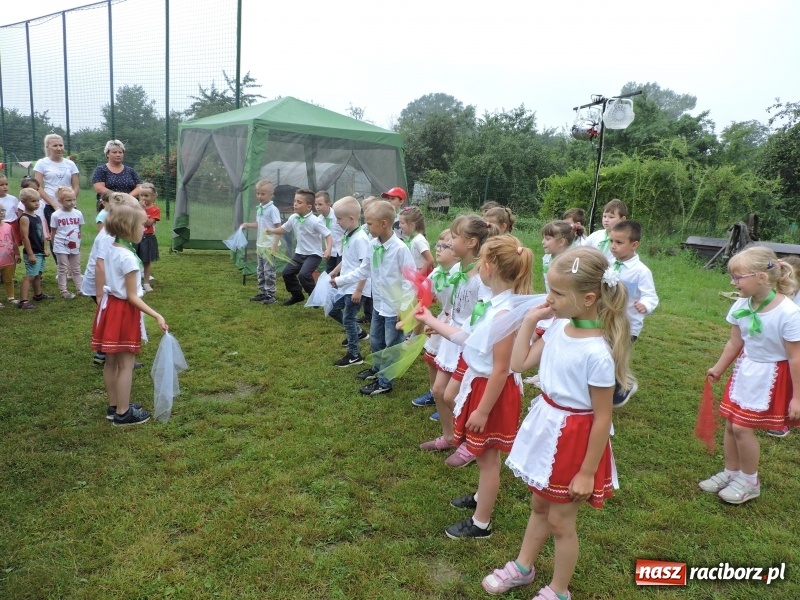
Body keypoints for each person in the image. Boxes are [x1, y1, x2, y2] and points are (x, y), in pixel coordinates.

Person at [482, 247, 632, 599]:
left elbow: (601, 417)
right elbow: (519, 364)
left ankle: (559, 590)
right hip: (547, 427)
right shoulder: (561, 326)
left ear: (588, 298)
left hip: (574, 440)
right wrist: (531, 323)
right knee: (539, 506)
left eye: (557, 293)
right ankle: (522, 567)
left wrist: (586, 472)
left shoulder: (597, 354)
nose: (549, 298)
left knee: (562, 522)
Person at [417, 235, 533, 539]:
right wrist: (433, 320)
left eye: (482, 259)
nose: (478, 266)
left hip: (490, 392)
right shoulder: (491, 304)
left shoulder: (503, 314)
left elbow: (499, 370)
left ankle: (481, 524)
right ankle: (482, 497)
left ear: (490, 266)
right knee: (485, 456)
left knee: (488, 459)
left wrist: (481, 411)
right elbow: (467, 338)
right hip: (479, 385)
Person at [701, 247, 800, 504]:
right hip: (746, 370)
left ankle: (749, 480)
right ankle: (731, 472)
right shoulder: (741, 304)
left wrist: (797, 398)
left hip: (770, 376)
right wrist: (719, 367)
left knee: (743, 428)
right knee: (732, 423)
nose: (733, 282)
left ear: (761, 278)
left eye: (738, 277)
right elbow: (735, 342)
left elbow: (795, 357)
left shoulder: (788, 313)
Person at [421, 215, 497, 468]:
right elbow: (453, 305)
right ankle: (449, 435)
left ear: (472, 242)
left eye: (454, 237)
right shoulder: (457, 270)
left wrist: (450, 328)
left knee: (459, 395)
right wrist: (440, 323)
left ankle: (471, 442)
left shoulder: (481, 277)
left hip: (468, 343)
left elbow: (481, 314)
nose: (449, 241)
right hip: (451, 337)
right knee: (438, 391)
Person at [92, 198, 169, 426]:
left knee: (111, 362)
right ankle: (124, 414)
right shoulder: (128, 257)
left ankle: (114, 406)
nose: (144, 231)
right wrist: (157, 315)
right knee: (126, 364)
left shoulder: (111, 248)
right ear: (128, 228)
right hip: (124, 311)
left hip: (110, 308)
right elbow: (132, 296)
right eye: (140, 227)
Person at [332, 200, 415, 396]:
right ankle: (377, 369)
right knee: (376, 340)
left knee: (391, 345)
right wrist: (341, 280)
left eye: (369, 223)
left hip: (395, 309)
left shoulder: (400, 249)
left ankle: (385, 381)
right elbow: (364, 269)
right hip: (379, 304)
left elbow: (409, 282)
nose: (366, 227)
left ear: (384, 223)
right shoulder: (372, 244)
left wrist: (403, 310)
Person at [412, 229, 459, 415]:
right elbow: (424, 297)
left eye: (444, 246)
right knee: (432, 358)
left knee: (451, 364)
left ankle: (449, 398)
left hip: (456, 323)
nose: (438, 250)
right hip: (442, 319)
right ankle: (435, 393)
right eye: (437, 245)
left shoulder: (460, 275)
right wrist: (410, 318)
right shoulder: (437, 273)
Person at [265, 188, 332, 305]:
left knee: (303, 275)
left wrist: (328, 249)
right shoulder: (293, 218)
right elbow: (284, 229)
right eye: (295, 201)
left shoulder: (315, 221)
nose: (295, 204)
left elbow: (328, 235)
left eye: (299, 202)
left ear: (309, 207)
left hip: (313, 255)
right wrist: (272, 230)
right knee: (287, 273)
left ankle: (316, 298)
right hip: (299, 254)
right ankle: (297, 295)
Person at [327, 196, 371, 367]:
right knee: (333, 310)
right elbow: (348, 259)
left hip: (355, 289)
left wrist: (359, 290)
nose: (337, 222)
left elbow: (365, 268)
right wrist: (335, 271)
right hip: (346, 286)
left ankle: (354, 355)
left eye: (339, 219)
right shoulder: (349, 235)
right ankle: (359, 333)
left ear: (351, 218)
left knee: (348, 319)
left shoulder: (361, 239)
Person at [33, 134, 80, 260]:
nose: (59, 148)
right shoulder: (41, 163)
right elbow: (38, 187)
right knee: (57, 235)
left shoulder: (70, 164)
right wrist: (54, 204)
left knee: (72, 234)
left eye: (61, 145)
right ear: (48, 147)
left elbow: (76, 186)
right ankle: (61, 265)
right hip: (51, 206)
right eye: (55, 145)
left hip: (69, 206)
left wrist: (71, 201)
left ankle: (73, 265)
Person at [241, 179, 281, 304]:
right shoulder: (260, 208)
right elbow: (260, 224)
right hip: (261, 245)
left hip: (269, 245)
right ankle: (263, 292)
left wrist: (274, 245)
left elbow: (278, 228)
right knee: (260, 269)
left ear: (271, 195)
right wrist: (248, 224)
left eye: (263, 194)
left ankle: (271, 294)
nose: (260, 196)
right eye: (258, 193)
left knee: (269, 270)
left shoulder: (273, 209)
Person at [17, 188, 53, 309]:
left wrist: (45, 249)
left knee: (38, 274)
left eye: (38, 201)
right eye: (33, 201)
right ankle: (23, 301)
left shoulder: (37, 217)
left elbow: (41, 234)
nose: (37, 203)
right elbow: (24, 237)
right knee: (31, 276)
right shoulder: (25, 218)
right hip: (32, 251)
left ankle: (38, 294)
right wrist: (31, 254)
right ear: (23, 201)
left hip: (40, 251)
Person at [50, 186, 85, 299]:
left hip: (74, 244)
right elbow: (53, 232)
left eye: (74, 199)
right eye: (68, 200)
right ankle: (64, 290)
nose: (72, 202)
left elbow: (79, 229)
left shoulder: (78, 213)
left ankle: (80, 289)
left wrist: (78, 243)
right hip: (61, 245)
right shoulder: (56, 215)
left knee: (76, 268)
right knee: (63, 268)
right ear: (60, 201)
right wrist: (54, 245)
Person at [136, 183, 160, 293]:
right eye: (142, 195)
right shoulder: (136, 207)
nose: (144, 198)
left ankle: (146, 282)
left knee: (146, 261)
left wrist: (141, 211)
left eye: (147, 195)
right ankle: (135, 283)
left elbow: (148, 222)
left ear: (154, 196)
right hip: (135, 237)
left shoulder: (155, 210)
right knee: (134, 261)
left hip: (147, 238)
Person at [398, 206, 434, 274]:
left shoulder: (419, 240)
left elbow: (430, 260)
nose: (399, 225)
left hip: (421, 277)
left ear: (412, 225)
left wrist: (418, 277)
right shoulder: (411, 239)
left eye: (402, 223)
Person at [315, 191, 344, 273]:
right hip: (330, 251)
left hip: (342, 250)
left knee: (340, 273)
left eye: (320, 204)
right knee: (329, 272)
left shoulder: (337, 216)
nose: (317, 207)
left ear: (328, 204)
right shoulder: (319, 220)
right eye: (316, 204)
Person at [0, 204, 20, 306]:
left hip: (8, 260)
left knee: (8, 280)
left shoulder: (8, 226)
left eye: (3, 210)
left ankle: (11, 297)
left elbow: (14, 241)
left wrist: (17, 254)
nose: (1, 213)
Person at [0, 175, 21, 246]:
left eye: (6, 184)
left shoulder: (13, 199)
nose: (5, 187)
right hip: (1, 225)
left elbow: (17, 212)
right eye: (1, 185)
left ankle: (15, 256)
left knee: (14, 244)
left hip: (13, 224)